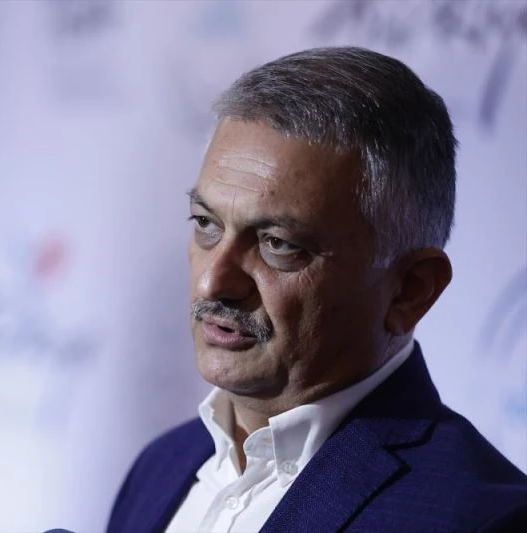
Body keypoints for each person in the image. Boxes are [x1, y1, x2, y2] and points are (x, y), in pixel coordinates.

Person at [107, 47, 527, 532]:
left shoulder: (483, 518)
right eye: (206, 223)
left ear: (411, 290)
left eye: (278, 244)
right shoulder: (160, 466)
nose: (213, 281)